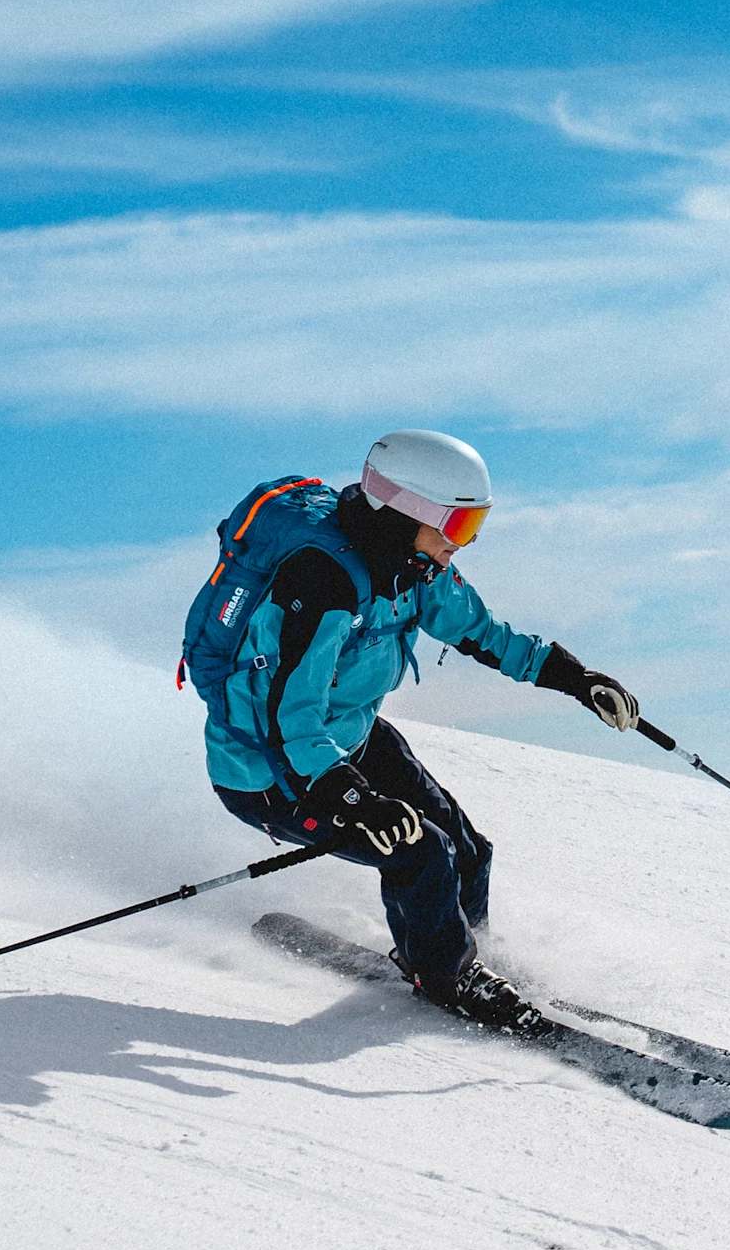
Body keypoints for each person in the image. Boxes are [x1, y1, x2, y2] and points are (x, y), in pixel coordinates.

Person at [200, 429, 641, 1022]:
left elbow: (485, 635)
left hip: (346, 736)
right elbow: (290, 719)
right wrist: (356, 799)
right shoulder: (321, 581)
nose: (462, 545)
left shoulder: (411, 569)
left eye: (473, 528)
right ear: (406, 511)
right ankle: (447, 978)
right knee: (420, 851)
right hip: (271, 767)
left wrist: (578, 680)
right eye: (457, 527)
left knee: (467, 849)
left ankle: (467, 952)